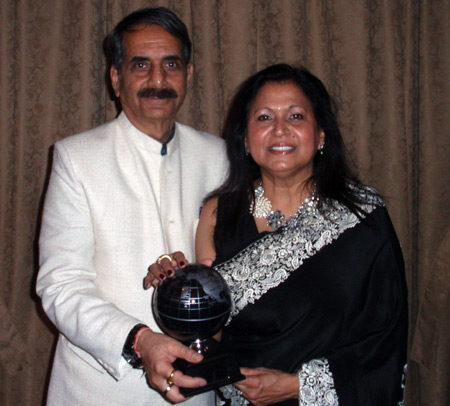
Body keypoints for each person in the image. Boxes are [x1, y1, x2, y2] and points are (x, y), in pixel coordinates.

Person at [146, 64, 408, 405]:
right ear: (244, 137)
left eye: (296, 117)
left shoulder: (363, 215)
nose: (280, 130)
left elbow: (386, 337)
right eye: (265, 118)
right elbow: (213, 335)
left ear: (322, 134)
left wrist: (300, 385)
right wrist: (178, 292)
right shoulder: (217, 214)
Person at [36, 7, 228, 406]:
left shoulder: (218, 155)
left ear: (188, 75)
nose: (158, 80)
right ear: (116, 78)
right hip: (99, 391)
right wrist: (139, 341)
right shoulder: (76, 158)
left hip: (197, 392)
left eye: (171, 64)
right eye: (141, 65)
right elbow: (60, 284)